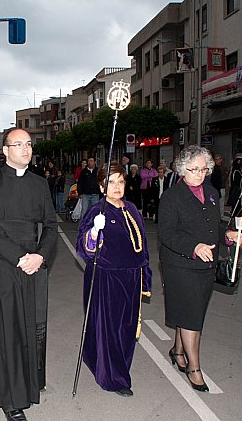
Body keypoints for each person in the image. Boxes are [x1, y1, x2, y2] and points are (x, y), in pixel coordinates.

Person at [0, 128, 57, 421]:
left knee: (34, 327)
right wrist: (19, 257)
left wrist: (40, 256)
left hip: (36, 262)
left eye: (29, 144)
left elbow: (50, 224)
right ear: (5, 150)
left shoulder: (40, 184)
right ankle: (10, 399)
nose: (26, 149)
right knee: (8, 330)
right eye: (18, 144)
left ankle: (32, 383)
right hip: (4, 264)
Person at [158, 145, 242, 392]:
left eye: (203, 169)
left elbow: (212, 226)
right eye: (193, 169)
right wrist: (194, 246)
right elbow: (167, 234)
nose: (199, 174)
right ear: (182, 169)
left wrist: (227, 235)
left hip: (206, 263)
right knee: (192, 317)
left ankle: (177, 350)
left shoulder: (211, 192)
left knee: (191, 311)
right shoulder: (171, 197)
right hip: (180, 263)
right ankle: (194, 367)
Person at [76, 162, 151, 397]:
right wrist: (94, 233)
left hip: (131, 278)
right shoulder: (96, 211)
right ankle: (114, 378)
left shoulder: (132, 209)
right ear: (101, 186)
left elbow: (143, 248)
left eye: (120, 181)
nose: (116, 186)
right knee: (109, 329)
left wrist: (145, 277)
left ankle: (106, 362)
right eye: (111, 182)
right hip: (106, 278)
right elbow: (84, 248)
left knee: (127, 329)